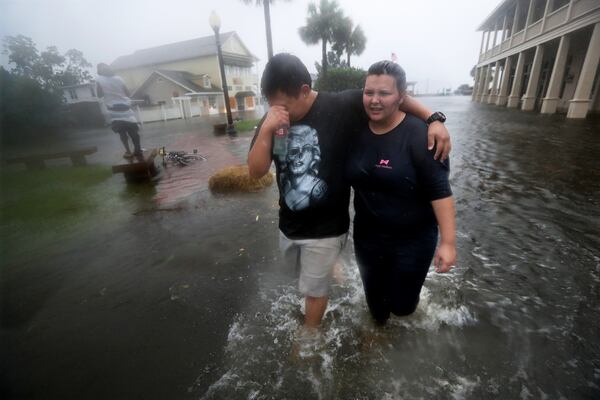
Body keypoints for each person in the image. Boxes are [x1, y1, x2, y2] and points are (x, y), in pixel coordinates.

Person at [248, 53, 451, 330]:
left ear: (304, 91)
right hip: (292, 223)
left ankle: (309, 338)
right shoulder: (274, 119)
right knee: (310, 277)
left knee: (316, 292)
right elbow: (256, 171)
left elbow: (392, 97)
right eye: (271, 106)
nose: (278, 111)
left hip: (327, 228)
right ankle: (334, 269)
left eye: (283, 105)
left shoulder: (341, 105)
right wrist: (268, 128)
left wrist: (434, 118)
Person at [346, 60, 456, 325]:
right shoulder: (355, 126)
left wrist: (448, 243)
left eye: (384, 93)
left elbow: (440, 191)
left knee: (403, 307)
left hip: (412, 241)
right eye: (369, 92)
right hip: (368, 237)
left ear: (401, 98)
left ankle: (408, 306)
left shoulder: (421, 137)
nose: (374, 100)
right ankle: (377, 337)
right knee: (377, 310)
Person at [96, 63, 143, 159]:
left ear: (99, 71)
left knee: (122, 132)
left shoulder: (99, 80)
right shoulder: (119, 79)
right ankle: (137, 149)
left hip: (113, 109)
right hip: (125, 107)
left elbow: (99, 95)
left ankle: (128, 151)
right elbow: (128, 93)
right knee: (133, 131)